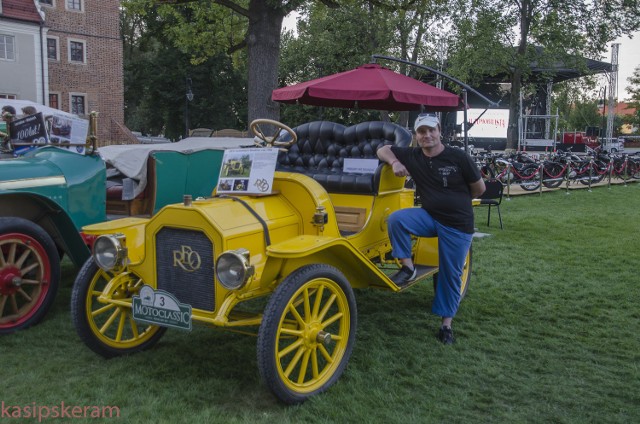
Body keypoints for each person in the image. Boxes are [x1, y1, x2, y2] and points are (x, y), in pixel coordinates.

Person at [377, 113, 486, 345]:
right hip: (429, 216)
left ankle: (446, 325)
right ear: (416, 136)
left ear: (439, 132)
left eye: (431, 130)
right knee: (397, 219)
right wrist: (395, 162)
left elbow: (479, 189)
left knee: (450, 273)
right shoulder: (414, 155)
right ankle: (408, 268)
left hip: (457, 224)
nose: (427, 135)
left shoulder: (458, 157)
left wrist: (455, 202)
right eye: (421, 132)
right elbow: (383, 149)